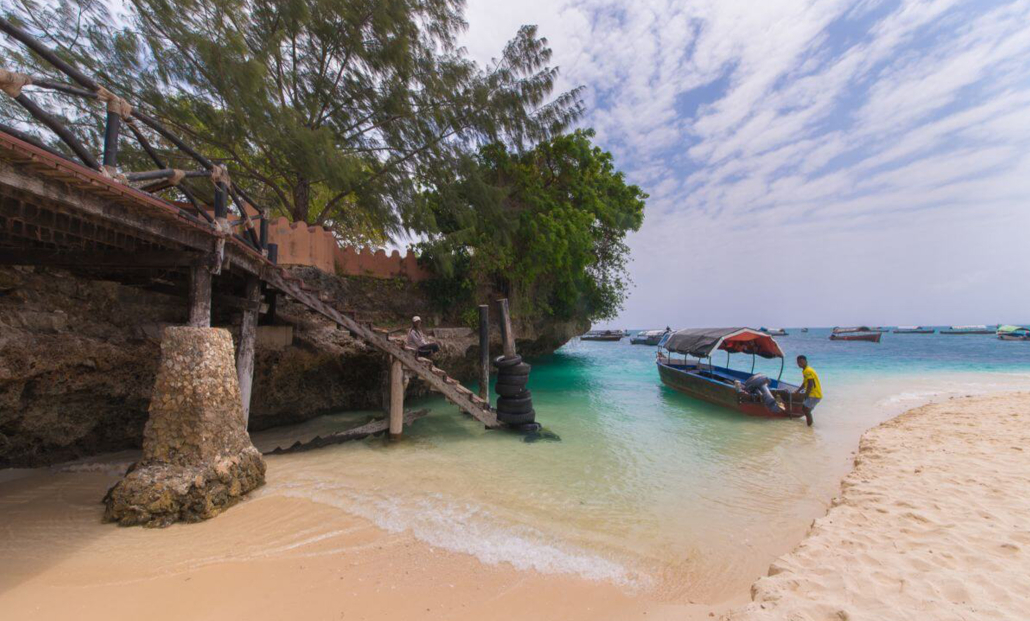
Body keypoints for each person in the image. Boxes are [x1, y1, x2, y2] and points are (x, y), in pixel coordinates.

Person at [793, 355, 822, 426]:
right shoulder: (805, 370)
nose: (800, 364)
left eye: (801, 362)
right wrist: (798, 390)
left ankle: (809, 426)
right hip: (813, 394)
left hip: (814, 394)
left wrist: (806, 395)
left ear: (806, 361)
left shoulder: (808, 371)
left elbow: (810, 384)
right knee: (806, 410)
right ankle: (810, 426)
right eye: (798, 362)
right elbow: (805, 382)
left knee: (806, 410)